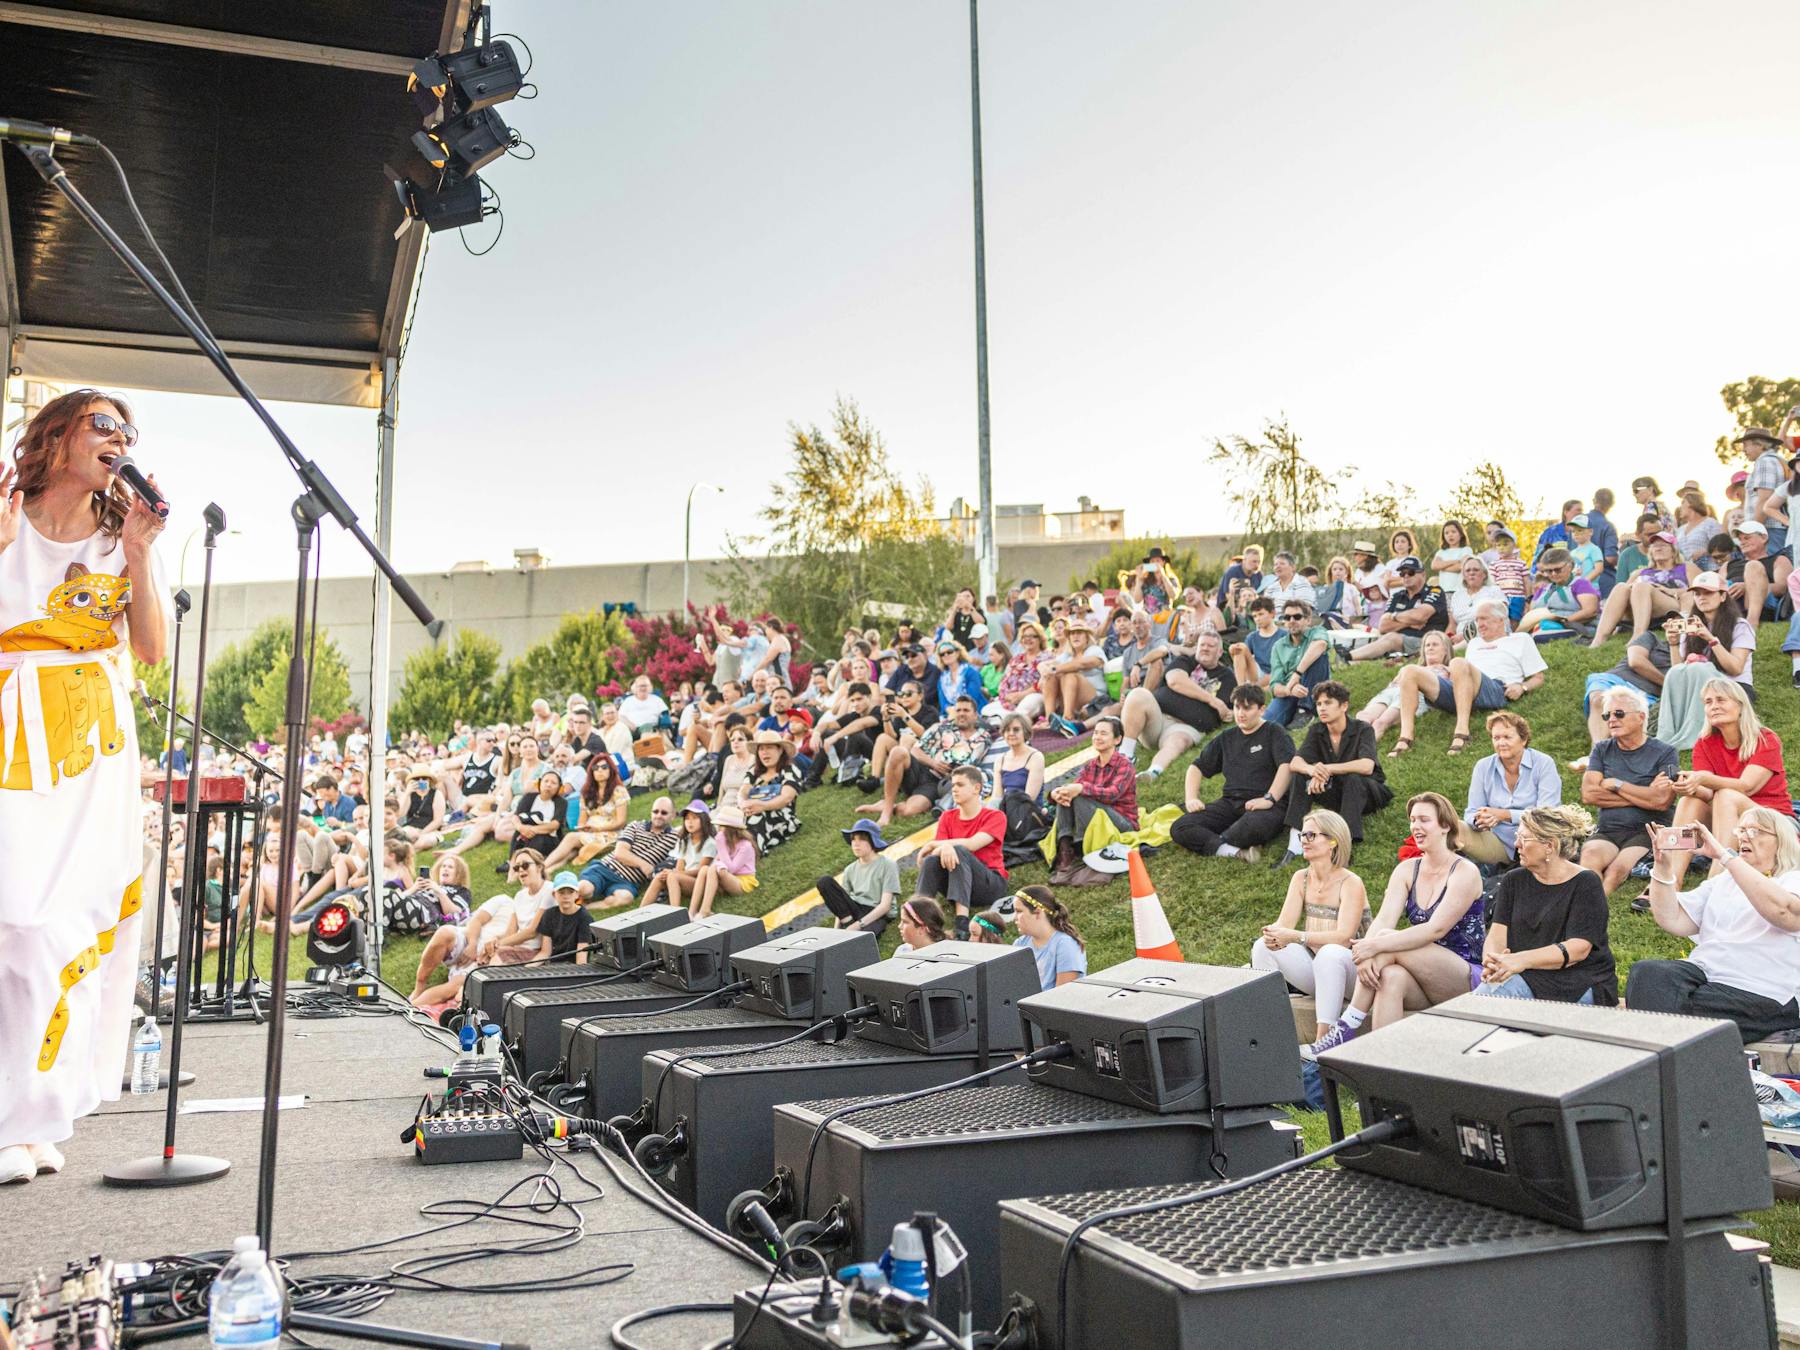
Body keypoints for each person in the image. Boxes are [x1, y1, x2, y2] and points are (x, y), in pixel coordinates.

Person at [0, 389, 171, 1182]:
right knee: (18, 925)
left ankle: (38, 1115)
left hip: (94, 751)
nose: (119, 439)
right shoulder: (5, 512)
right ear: (58, 433)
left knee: (69, 926)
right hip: (14, 744)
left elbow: (151, 652)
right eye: (104, 424)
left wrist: (139, 554)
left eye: (127, 431)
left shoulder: (118, 536)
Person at [1306, 793, 1486, 1056]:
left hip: (1463, 976)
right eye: (1413, 820)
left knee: (1388, 940)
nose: (1416, 826)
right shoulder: (1407, 869)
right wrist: (1369, 951)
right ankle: (1380, 1077)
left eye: (1425, 819)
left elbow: (1435, 929)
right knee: (1390, 978)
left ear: (1445, 825)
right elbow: (1383, 919)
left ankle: (1347, 1026)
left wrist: (1374, 946)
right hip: (1420, 976)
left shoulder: (1465, 872)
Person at [1627, 810, 1800, 1042]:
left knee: (1669, 1003)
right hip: (1706, 977)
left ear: (1781, 841)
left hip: (1763, 991)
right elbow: (1672, 918)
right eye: (1741, 830)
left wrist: (1724, 855)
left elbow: (1785, 912)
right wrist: (1663, 867)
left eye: (1754, 831)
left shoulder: (1792, 879)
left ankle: (1656, 1066)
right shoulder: (1724, 881)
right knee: (1647, 973)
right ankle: (1664, 1064)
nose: (1744, 837)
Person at [1652, 678, 1793, 898]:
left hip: (1776, 820)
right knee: (1692, 800)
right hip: (1729, 814)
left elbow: (1746, 787)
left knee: (1727, 795)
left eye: (1721, 699)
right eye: (1708, 702)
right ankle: (1671, 881)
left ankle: (1714, 884)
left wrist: (1700, 778)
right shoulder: (1705, 743)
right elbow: (1706, 792)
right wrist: (1687, 786)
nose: (1713, 705)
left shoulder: (1765, 739)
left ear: (1740, 706)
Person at [1476, 804, 1615, 1004]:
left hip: (1577, 980)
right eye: (1518, 836)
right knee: (1495, 989)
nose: (1516, 844)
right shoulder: (1513, 880)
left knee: (1493, 996)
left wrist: (1520, 960)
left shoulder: (1586, 883)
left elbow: (1578, 949)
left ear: (1550, 845)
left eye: (1524, 838)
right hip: (1526, 972)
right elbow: (1497, 933)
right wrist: (1493, 960)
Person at [1249, 810, 1367, 1041]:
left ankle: (1324, 1041)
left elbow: (1344, 938)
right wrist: (1274, 934)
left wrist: (1296, 936)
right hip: (1319, 971)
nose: (1303, 840)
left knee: (1330, 954)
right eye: (1303, 834)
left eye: (1311, 835)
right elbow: (1284, 925)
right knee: (1262, 946)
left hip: (1354, 974)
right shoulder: (1301, 877)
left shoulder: (1351, 882)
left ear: (1333, 840)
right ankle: (1268, 1029)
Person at [1391, 601, 1546, 757]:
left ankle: (1462, 732)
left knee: (1457, 662)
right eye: (1477, 620)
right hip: (1461, 690)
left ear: (1501, 620)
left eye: (1484, 619)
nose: (1479, 624)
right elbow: (1462, 672)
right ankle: (1406, 737)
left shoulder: (1521, 639)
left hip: (1496, 689)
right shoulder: (1474, 643)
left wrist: (1522, 687)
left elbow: (1539, 678)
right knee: (1409, 670)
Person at [1169, 685, 1295, 861]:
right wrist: (1191, 798)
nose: (1240, 713)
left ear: (1261, 709)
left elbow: (1286, 766)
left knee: (1251, 826)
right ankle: (1234, 851)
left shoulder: (1275, 732)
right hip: (1231, 803)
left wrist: (1269, 799)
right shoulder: (1226, 737)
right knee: (1180, 827)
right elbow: (1196, 767)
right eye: (1237, 707)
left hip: (1268, 805)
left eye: (1247, 708)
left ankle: (1221, 841)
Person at [1579, 687, 1678, 895]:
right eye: (1607, 715)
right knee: (1588, 861)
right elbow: (1589, 794)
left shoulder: (1665, 752)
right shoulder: (1601, 749)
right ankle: (1591, 907)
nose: (1611, 719)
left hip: (1646, 830)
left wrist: (1617, 784)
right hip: (1608, 830)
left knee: (1616, 870)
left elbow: (1662, 802)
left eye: (1619, 713)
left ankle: (1599, 907)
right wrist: (1644, 795)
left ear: (1641, 717)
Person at [1279, 680, 1390, 861]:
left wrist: (1327, 769)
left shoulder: (1363, 729)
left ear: (1344, 706)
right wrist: (1312, 770)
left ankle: (1344, 843)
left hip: (1369, 792)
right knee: (1300, 776)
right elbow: (1295, 762)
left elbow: (1366, 765)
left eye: (1328, 703)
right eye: (1319, 704)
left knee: (1353, 778)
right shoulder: (1317, 730)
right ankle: (1295, 843)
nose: (1322, 708)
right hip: (1337, 793)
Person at [859, 694, 991, 830]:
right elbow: (916, 750)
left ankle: (886, 804)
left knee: (908, 811)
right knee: (898, 752)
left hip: (938, 782)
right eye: (958, 710)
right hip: (921, 768)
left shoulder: (982, 738)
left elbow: (970, 764)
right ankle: (886, 813)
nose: (961, 714)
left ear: (975, 715)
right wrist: (933, 762)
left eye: (966, 710)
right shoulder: (941, 727)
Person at [1654, 573, 1754, 749]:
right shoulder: (1690, 625)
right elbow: (1680, 674)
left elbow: (1736, 668)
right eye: (1697, 594)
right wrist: (1673, 644)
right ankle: (1668, 735)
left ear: (1723, 596)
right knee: (1677, 672)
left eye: (1708, 593)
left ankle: (1695, 736)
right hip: (1700, 689)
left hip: (1735, 687)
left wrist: (1711, 639)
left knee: (1700, 668)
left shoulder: (1740, 626)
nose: (1701, 598)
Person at [1124, 630, 1236, 777]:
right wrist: (1212, 700)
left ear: (1220, 652)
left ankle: (1153, 772)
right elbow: (1175, 681)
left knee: (1179, 742)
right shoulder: (1185, 661)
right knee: (1138, 694)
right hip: (1157, 719)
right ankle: (1125, 756)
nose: (1205, 648)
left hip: (1187, 727)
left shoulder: (1227, 677)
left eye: (1211, 646)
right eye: (1202, 644)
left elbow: (1229, 712)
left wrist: (1227, 712)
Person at [916, 764, 1010, 936]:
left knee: (960, 850)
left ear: (976, 788)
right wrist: (941, 846)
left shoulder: (995, 816)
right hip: (958, 882)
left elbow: (973, 844)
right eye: (953, 785)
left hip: (990, 884)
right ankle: (919, 916)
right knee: (932, 860)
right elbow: (932, 855)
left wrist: (937, 845)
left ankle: (962, 924)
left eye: (960, 785)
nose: (954, 790)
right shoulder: (947, 817)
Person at [1460, 711, 1562, 865]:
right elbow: (1471, 811)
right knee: (1453, 828)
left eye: (1507, 737)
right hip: (1497, 841)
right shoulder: (1483, 766)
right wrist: (1480, 820)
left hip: (1536, 839)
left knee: (1543, 831)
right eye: (1496, 738)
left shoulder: (1543, 763)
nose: (1501, 743)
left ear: (1524, 739)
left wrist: (1505, 815)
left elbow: (1547, 814)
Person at [1047, 716, 1139, 882]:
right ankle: (1065, 849)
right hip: (1098, 817)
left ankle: (1082, 847)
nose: (1097, 737)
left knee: (1080, 796)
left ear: (1117, 739)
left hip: (1123, 823)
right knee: (1071, 795)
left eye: (1103, 733)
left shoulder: (1125, 764)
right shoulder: (1090, 765)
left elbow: (1112, 794)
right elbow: (1073, 790)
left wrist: (1081, 788)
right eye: (1095, 733)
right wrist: (1057, 794)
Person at [1588, 531, 1688, 646]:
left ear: (1673, 551)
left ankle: (1638, 634)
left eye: (1663, 545)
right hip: (1638, 607)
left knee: (1641, 586)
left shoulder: (1685, 568)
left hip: (1669, 604)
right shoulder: (1639, 572)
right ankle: (1599, 638)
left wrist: (1670, 591)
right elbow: (1622, 594)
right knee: (1621, 587)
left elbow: (1696, 591)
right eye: (1655, 546)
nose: (1658, 549)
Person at [576, 797, 678, 907]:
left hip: (627, 882)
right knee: (584, 889)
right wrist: (643, 865)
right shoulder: (636, 826)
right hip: (605, 868)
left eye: (664, 813)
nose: (658, 815)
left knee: (625, 898)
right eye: (655, 811)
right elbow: (620, 853)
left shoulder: (675, 837)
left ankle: (584, 908)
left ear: (673, 815)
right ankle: (570, 901)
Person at [1356, 630, 1453, 742]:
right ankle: (1346, 750)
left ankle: (1363, 751)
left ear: (1446, 650)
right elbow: (1393, 684)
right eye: (1427, 645)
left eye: (1435, 645)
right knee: (1364, 717)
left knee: (1380, 723)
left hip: (1414, 694)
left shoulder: (1449, 669)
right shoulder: (1411, 668)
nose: (1430, 648)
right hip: (1391, 691)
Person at [1347, 556, 1448, 663]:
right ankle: (1353, 659)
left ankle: (1347, 656)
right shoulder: (1396, 596)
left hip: (1426, 640)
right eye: (1402, 573)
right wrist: (1409, 621)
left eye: (1411, 572)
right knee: (1385, 637)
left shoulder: (1435, 591)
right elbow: (1383, 626)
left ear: (1423, 574)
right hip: (1398, 641)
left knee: (1391, 637)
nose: (1406, 576)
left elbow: (1420, 616)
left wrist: (1394, 617)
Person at [1582, 626, 1670, 748]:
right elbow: (1635, 661)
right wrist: (1668, 683)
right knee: (1600, 699)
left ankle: (1601, 755)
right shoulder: (1650, 638)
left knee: (1623, 713)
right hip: (1616, 678)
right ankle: (1597, 753)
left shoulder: (1694, 658)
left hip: (1647, 693)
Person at [541, 751, 630, 871]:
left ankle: (542, 867)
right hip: (590, 831)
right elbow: (582, 820)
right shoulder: (587, 792)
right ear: (591, 772)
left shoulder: (618, 790)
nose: (600, 770)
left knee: (571, 838)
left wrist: (597, 829)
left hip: (610, 833)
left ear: (611, 770)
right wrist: (583, 828)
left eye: (604, 767)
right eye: (595, 768)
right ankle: (547, 870)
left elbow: (621, 822)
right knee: (572, 849)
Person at [818, 819, 900, 935]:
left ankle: (851, 930)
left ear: (872, 841)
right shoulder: (850, 869)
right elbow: (840, 903)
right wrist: (836, 931)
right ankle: (847, 925)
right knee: (824, 881)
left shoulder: (888, 865)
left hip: (877, 913)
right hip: (855, 909)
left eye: (861, 839)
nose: (856, 844)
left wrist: (858, 925)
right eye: (853, 839)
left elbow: (885, 906)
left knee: (864, 938)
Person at [638, 799, 716, 911]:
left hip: (699, 883)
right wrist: (674, 872)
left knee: (672, 875)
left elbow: (700, 871)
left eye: (694, 818)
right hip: (684, 878)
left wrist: (675, 873)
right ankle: (640, 912)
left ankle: (675, 913)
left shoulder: (710, 843)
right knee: (661, 876)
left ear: (704, 820)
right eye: (687, 818)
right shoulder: (684, 840)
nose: (690, 822)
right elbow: (680, 864)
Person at [1265, 601, 1329, 728]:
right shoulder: (1278, 646)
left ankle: (1305, 710)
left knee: (1318, 656)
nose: (1291, 620)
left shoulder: (1317, 632)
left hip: (1314, 687)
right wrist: (1289, 690)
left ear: (1308, 620)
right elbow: (1274, 685)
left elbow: (1320, 645)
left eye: (1297, 617)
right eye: (1287, 617)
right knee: (1265, 725)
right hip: (1289, 693)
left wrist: (1296, 674)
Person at [739, 729, 803, 854]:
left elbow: (786, 798)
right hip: (752, 810)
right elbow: (743, 791)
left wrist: (762, 806)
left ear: (780, 750)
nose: (765, 752)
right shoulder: (753, 771)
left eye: (769, 748)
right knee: (731, 819)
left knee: (756, 817)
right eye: (761, 749)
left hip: (780, 816)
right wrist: (742, 804)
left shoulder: (789, 770)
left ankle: (751, 853)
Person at [1012, 886, 1088, 990]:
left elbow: (1063, 995)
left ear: (1038, 913)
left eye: (1019, 911)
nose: (1014, 918)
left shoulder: (1065, 945)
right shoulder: (1020, 943)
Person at [690, 805, 758, 918]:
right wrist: (719, 861)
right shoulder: (724, 839)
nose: (719, 829)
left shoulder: (745, 846)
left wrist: (720, 846)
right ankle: (691, 912)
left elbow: (731, 868)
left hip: (742, 881)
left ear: (730, 829)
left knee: (714, 869)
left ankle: (704, 910)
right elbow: (717, 861)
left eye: (721, 826)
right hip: (727, 877)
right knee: (705, 869)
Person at [1039, 623, 1106, 738]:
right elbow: (1044, 665)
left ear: (1086, 637)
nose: (1075, 636)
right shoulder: (1067, 655)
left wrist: (1054, 669)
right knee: (1051, 677)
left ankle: (1068, 717)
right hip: (1072, 697)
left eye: (1079, 633)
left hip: (1094, 699)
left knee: (1069, 674)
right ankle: (1050, 719)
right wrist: (1043, 670)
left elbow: (1081, 664)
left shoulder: (1094, 650)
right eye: (1072, 634)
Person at [1517, 547, 1600, 638]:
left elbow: (1590, 611)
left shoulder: (1580, 584)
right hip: (1543, 628)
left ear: (1570, 566)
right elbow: (1532, 613)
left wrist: (1563, 621)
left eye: (1557, 569)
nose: (1553, 574)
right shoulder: (1543, 590)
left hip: (1576, 626)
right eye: (1549, 571)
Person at [533, 872, 598, 965]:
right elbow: (545, 952)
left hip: (574, 967)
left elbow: (581, 958)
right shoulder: (549, 914)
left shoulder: (585, 918)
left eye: (570, 892)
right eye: (561, 892)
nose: (566, 896)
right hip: (552, 965)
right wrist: (528, 969)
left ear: (577, 894)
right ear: (554, 894)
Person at [988, 712, 1046, 803]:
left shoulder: (1035, 757)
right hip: (1007, 809)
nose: (1011, 733)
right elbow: (997, 797)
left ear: (1025, 732)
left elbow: (1029, 798)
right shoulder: (1000, 760)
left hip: (1028, 811)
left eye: (1016, 730)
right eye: (1007, 730)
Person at [1446, 556, 1506, 638]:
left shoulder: (1494, 591)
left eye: (1476, 570)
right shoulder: (1457, 595)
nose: (1471, 573)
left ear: (1484, 574)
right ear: (1463, 575)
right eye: (1468, 570)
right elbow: (1452, 624)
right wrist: (1448, 638)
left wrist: (1464, 636)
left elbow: (1502, 616)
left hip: (1486, 635)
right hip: (1459, 639)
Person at [1674, 491, 1723, 569]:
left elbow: (1721, 546)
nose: (1680, 507)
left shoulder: (1710, 523)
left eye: (1683, 502)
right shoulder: (1680, 530)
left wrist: (1705, 552)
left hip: (1710, 570)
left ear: (1692, 503)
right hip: (1687, 573)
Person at [1430, 520, 1474, 594]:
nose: (1450, 535)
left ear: (1461, 534)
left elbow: (1461, 566)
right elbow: (1434, 566)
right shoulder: (1441, 552)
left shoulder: (1466, 550)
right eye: (1446, 533)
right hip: (1444, 590)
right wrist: (1455, 561)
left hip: (1460, 590)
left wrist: (1442, 567)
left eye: (1453, 532)